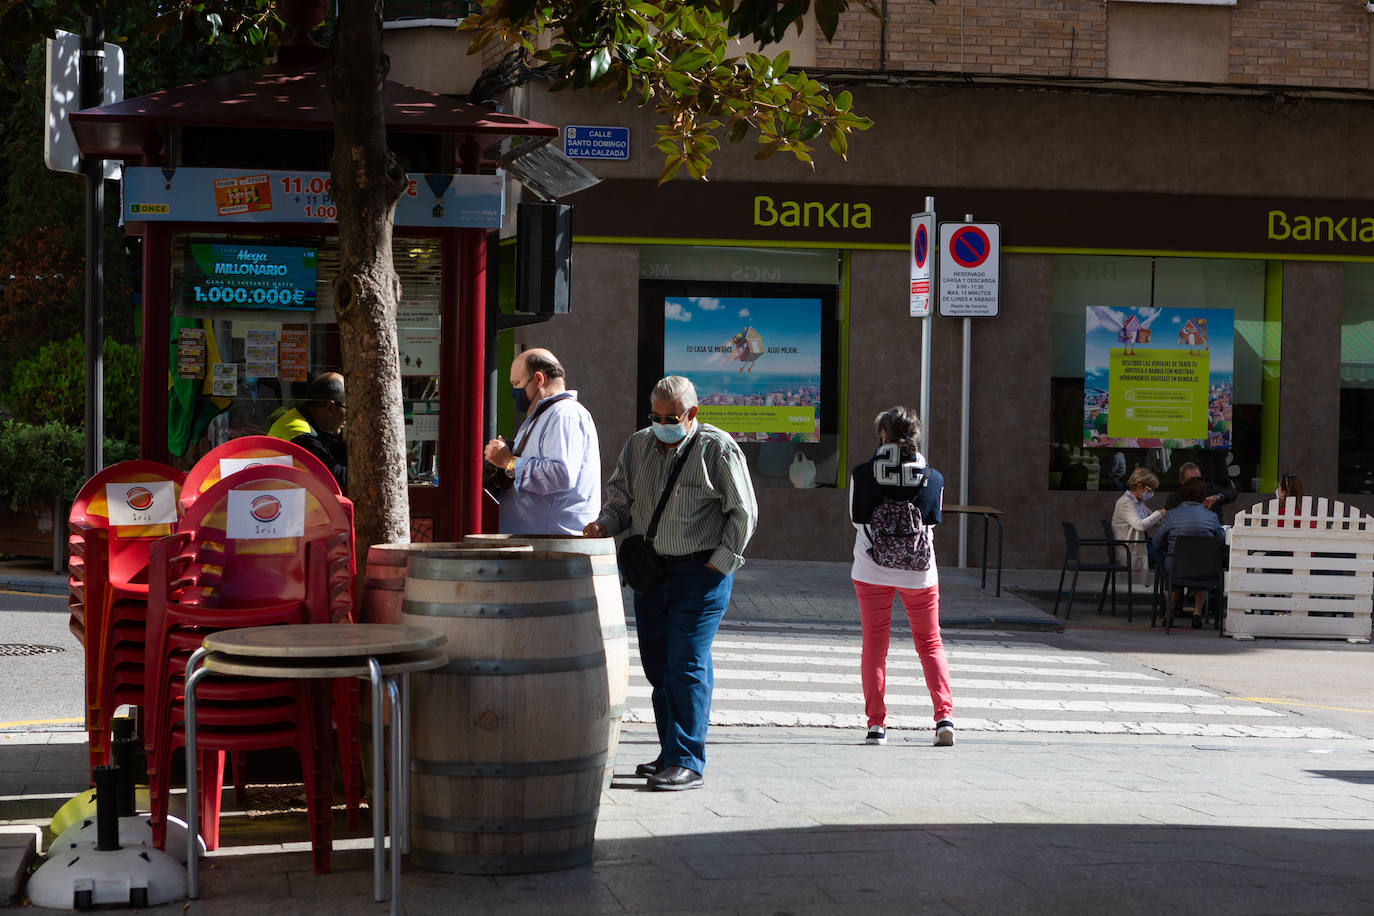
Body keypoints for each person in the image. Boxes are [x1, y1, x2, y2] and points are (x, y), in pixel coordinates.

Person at [583, 376, 757, 791]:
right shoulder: (638, 444)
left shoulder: (717, 448)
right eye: (655, 416)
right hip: (651, 572)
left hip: (701, 572)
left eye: (671, 417)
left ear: (692, 413)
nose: (662, 424)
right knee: (659, 667)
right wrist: (604, 524)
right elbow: (621, 500)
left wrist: (721, 562)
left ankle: (688, 761)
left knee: (686, 664)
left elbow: (743, 512)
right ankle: (669, 752)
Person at [848, 406, 954, 748]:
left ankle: (876, 726)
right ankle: (943, 718)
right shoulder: (933, 477)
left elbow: (856, 520)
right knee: (930, 643)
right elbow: (932, 523)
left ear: (883, 435)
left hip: (871, 569)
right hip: (920, 574)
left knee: (874, 647)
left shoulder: (862, 474)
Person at [482, 349, 601, 535]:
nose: (514, 391)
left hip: (552, 545)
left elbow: (561, 475)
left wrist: (508, 461)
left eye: (517, 383)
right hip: (539, 543)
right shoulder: (545, 415)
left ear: (539, 379)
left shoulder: (564, 414)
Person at [1152, 476, 1225, 628]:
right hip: (1205, 569)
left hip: (1176, 567)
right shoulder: (1212, 517)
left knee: (1172, 575)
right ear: (1203, 495)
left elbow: (1157, 541)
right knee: (1202, 571)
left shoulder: (1171, 515)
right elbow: (1221, 539)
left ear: (1182, 494)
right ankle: (1197, 613)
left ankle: (1169, 615)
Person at [268, 371, 347, 488]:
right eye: (348, 407)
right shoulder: (300, 434)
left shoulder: (299, 416)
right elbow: (334, 477)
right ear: (330, 406)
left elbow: (330, 448)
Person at [1111, 468, 1166, 583]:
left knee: (1165, 549)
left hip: (1138, 545)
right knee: (1166, 555)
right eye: (1150, 490)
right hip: (1129, 549)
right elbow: (1141, 525)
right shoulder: (1125, 502)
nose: (1152, 494)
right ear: (1140, 486)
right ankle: (1166, 592)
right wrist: (1159, 513)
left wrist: (1165, 517)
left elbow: (1152, 518)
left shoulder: (1138, 503)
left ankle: (1166, 591)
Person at [1163, 461, 1235, 522]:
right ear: (1182, 481)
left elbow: (1232, 492)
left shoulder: (1209, 488)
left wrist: (1218, 497)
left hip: (1213, 533)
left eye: (1199, 479)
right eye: (1191, 480)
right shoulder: (1174, 497)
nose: (1196, 483)